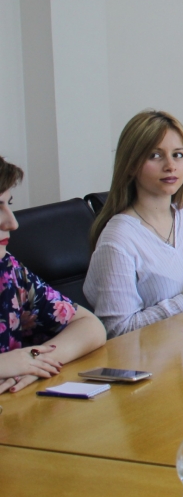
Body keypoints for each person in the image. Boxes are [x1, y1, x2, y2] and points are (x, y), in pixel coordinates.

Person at [84, 111, 183, 338]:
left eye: (178, 155)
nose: (170, 165)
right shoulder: (117, 239)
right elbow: (118, 331)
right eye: (155, 156)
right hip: (153, 357)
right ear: (131, 165)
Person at [0, 156, 105, 393]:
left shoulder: (7, 269)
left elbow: (90, 327)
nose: (12, 223)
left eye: (8, 205)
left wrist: (35, 359)